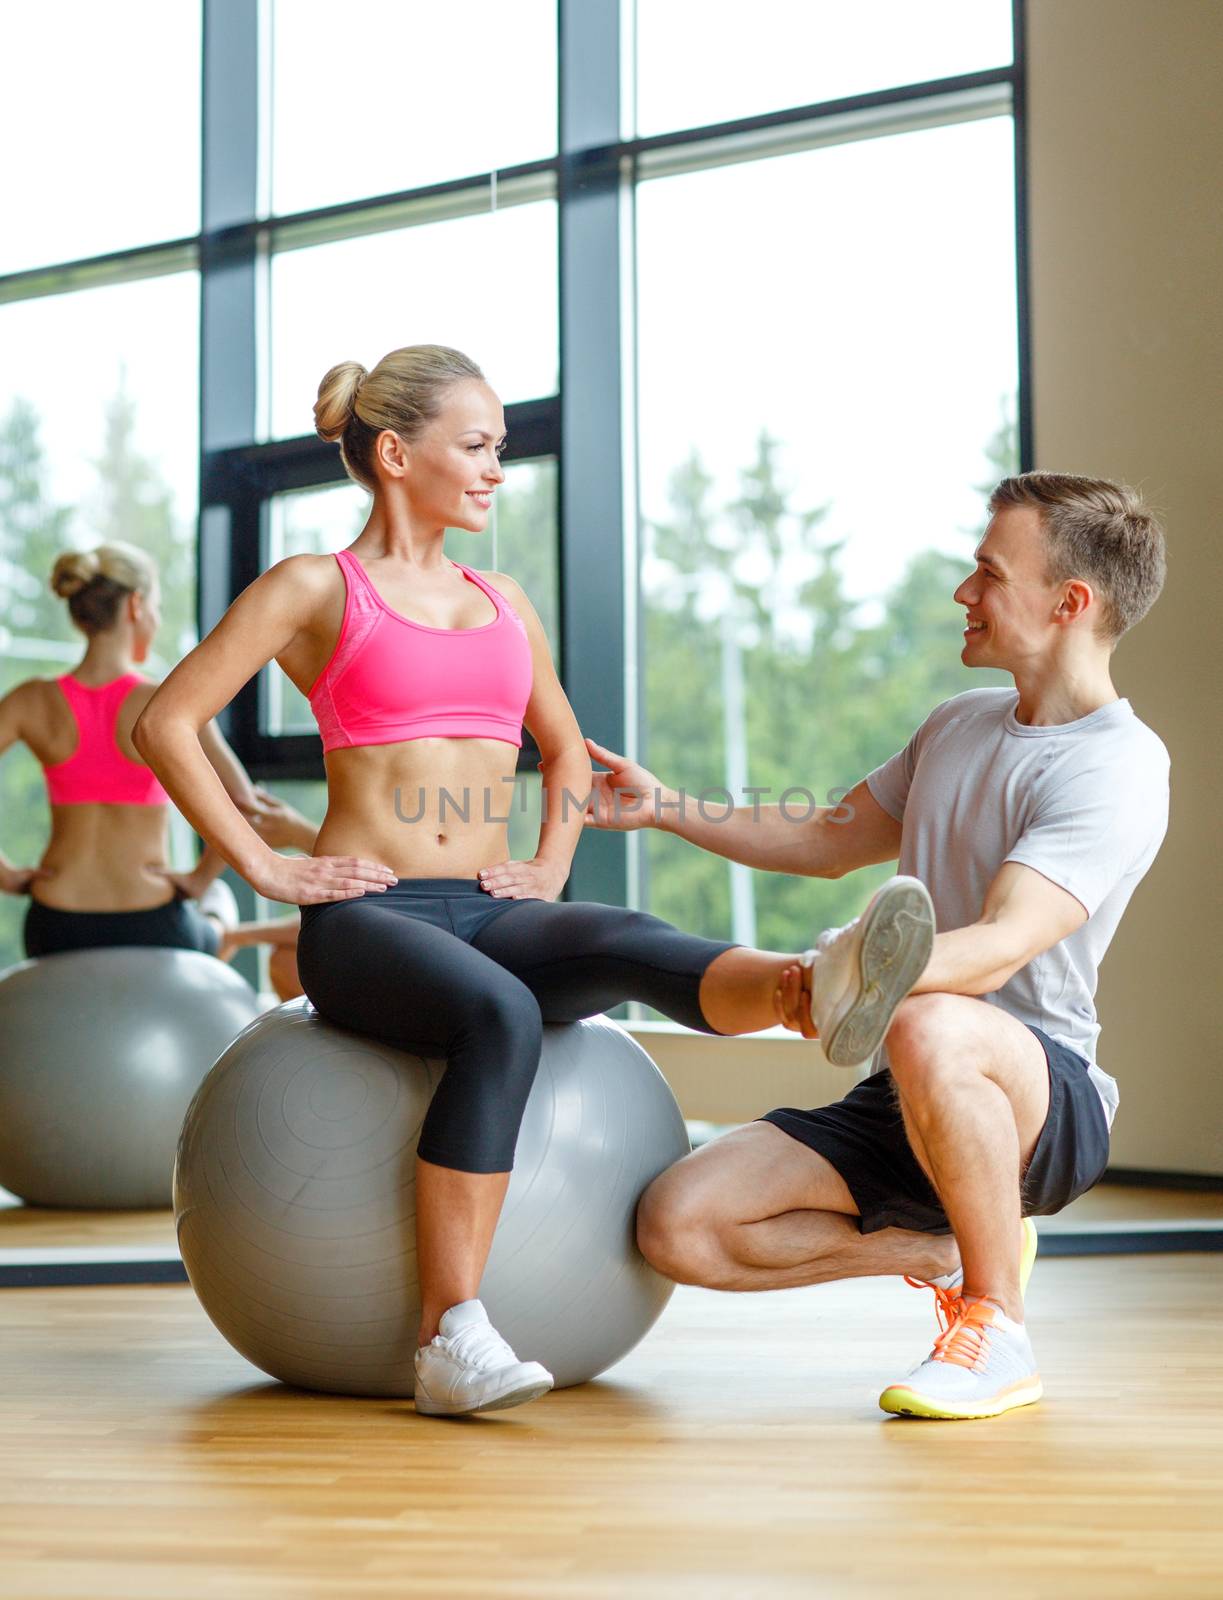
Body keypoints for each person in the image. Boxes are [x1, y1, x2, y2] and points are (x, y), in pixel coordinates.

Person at [130, 343, 876, 1419]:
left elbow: (568, 752)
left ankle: (810, 988)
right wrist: (263, 865)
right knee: (499, 1013)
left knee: (617, 933)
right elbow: (167, 721)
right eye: (475, 446)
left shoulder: (502, 598)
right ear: (395, 452)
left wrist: (547, 867)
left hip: (488, 903)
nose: (494, 470)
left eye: (498, 450)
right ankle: (451, 1337)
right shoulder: (312, 586)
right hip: (364, 918)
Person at [584, 472, 1170, 1421]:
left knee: (937, 1017)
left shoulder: (1117, 765)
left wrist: (859, 978)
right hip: (910, 1080)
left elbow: (1002, 945)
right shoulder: (957, 724)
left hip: (1040, 1096)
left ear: (1070, 602)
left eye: (987, 573)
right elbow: (823, 837)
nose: (962, 595)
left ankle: (996, 1327)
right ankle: (940, 1249)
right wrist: (664, 808)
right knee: (678, 1226)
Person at [0, 539, 313, 1000]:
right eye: (158, 607)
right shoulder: (164, 700)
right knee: (217, 906)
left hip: (56, 921)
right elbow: (248, 805)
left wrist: (7, 876)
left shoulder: (31, 699)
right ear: (136, 605)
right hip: (151, 919)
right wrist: (198, 880)